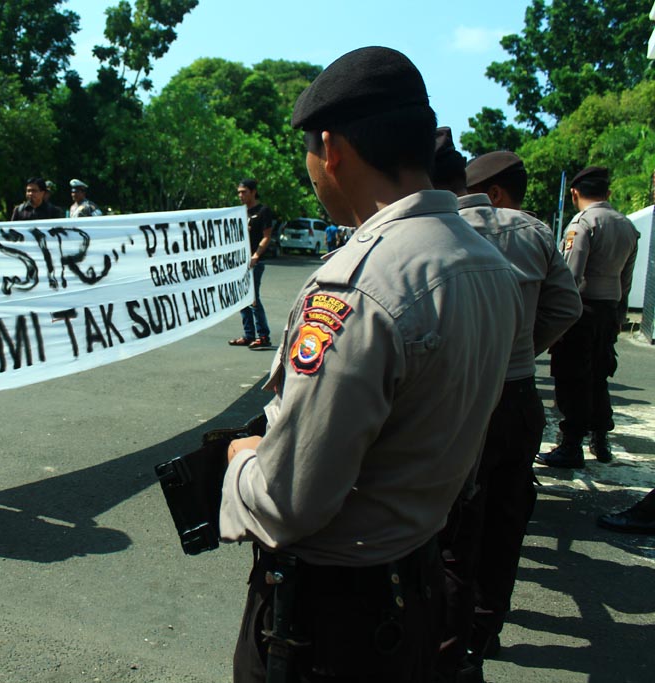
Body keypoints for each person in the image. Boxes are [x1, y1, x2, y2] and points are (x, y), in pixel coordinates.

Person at [219, 47, 524, 683]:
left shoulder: (358, 286)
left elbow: (289, 501)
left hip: (329, 622)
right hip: (415, 587)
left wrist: (242, 462)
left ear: (330, 149)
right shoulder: (486, 261)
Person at [431, 134, 581, 681]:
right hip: (519, 394)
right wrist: (523, 349)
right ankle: (485, 632)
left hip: (462, 396)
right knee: (507, 518)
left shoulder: (439, 230)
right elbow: (568, 305)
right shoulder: (536, 230)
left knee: (454, 529)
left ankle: (448, 642)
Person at [536, 166, 640, 469]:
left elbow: (571, 277)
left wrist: (557, 320)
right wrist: (619, 315)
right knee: (598, 376)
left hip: (581, 313)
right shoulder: (627, 225)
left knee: (572, 377)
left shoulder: (582, 224)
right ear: (607, 194)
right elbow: (626, 280)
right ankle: (600, 439)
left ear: (574, 193)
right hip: (609, 310)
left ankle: (571, 445)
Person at [228, 178, 274, 350]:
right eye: (238, 192)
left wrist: (256, 255)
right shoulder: (239, 212)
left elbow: (267, 236)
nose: (240, 195)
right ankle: (249, 335)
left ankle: (263, 335)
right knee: (242, 299)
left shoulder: (263, 211)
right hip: (240, 261)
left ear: (253, 192)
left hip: (255, 261)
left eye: (244, 192)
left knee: (253, 298)